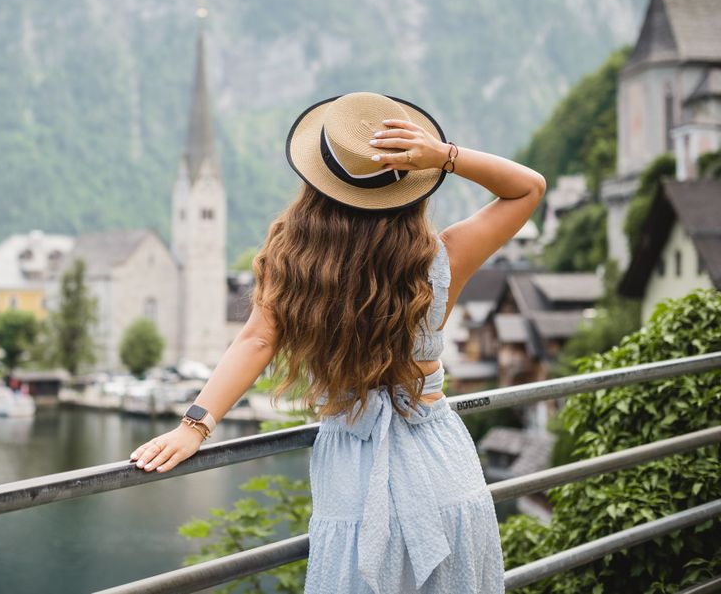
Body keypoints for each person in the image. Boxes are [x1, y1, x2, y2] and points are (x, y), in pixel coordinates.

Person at [129, 92, 545, 593]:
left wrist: (194, 426)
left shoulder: (294, 263)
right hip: (440, 461)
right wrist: (445, 156)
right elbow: (527, 189)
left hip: (352, 460)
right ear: (409, 184)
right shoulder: (441, 257)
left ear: (316, 182)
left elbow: (257, 340)